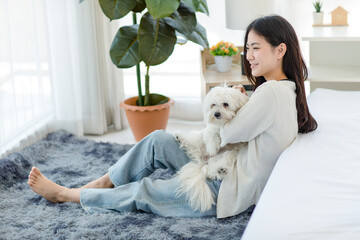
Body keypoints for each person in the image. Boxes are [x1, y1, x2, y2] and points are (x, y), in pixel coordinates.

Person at [28, 15, 317, 218]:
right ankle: (103, 182)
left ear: (280, 50)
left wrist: (244, 101)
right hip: (219, 164)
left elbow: (227, 133)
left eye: (256, 48)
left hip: (225, 187)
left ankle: (69, 195)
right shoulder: (281, 90)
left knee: (146, 191)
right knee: (158, 141)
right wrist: (247, 99)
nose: (249, 55)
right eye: (247, 48)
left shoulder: (270, 94)